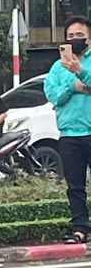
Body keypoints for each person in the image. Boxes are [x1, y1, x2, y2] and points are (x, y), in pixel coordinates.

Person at [44, 15, 91, 244]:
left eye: (80, 35)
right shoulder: (57, 67)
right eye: (71, 36)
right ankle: (80, 228)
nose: (75, 39)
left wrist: (81, 71)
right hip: (69, 135)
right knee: (75, 186)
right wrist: (74, 86)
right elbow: (53, 96)